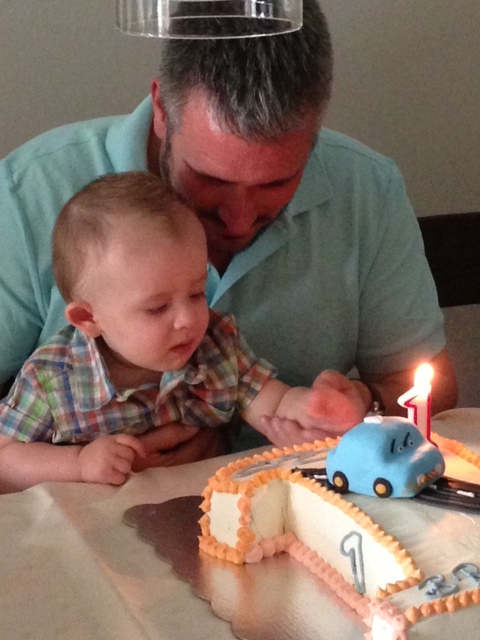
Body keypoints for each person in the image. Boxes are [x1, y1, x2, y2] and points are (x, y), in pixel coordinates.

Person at [0, 0, 457, 463]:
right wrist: (74, 467)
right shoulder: (24, 195)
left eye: (277, 183)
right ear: (162, 109)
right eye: (210, 179)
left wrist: (363, 404)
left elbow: (428, 388)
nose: (238, 220)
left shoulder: (367, 188)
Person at [0, 172, 366, 492]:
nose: (188, 319)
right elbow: (6, 460)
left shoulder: (215, 345)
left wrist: (313, 408)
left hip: (199, 516)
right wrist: (78, 464)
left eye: (196, 293)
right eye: (158, 308)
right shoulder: (51, 379)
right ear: (87, 318)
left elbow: (271, 402)